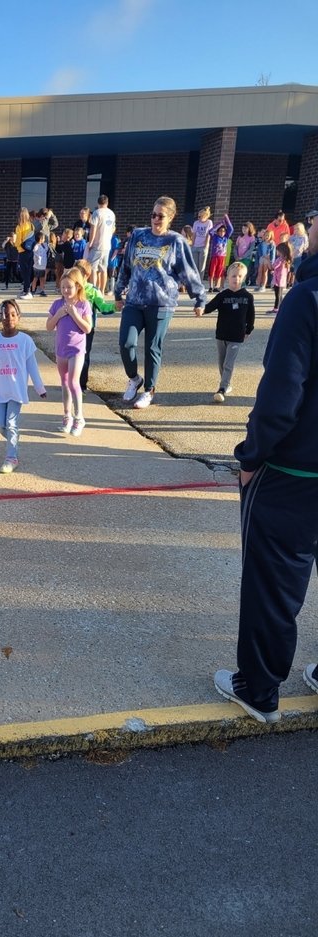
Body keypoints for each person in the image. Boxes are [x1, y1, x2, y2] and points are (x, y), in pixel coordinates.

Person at [213, 208, 318, 725]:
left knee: (273, 585)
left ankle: (258, 688)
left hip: (296, 473)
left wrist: (251, 458)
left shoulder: (306, 298)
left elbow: (281, 396)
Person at [114, 195, 205, 409]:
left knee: (153, 347)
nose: (156, 219)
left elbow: (188, 272)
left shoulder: (175, 241)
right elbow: (126, 267)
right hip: (135, 300)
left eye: (161, 216)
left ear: (170, 218)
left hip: (162, 302)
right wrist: (118, 293)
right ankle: (135, 379)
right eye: (153, 215)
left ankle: (149, 390)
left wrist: (199, 298)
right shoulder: (137, 236)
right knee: (126, 343)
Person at [0, 298, 46, 473]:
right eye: (4, 315)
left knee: (11, 424)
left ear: (18, 316)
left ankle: (11, 457)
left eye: (12, 314)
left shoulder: (25, 341)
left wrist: (40, 388)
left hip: (17, 391)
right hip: (1, 392)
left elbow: (32, 366)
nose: (8, 318)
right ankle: (14, 438)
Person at [46, 267, 93, 437]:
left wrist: (74, 314)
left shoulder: (83, 305)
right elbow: (49, 327)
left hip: (77, 350)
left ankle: (79, 417)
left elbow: (87, 328)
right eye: (63, 287)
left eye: (69, 287)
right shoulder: (57, 304)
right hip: (61, 350)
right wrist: (58, 314)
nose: (66, 290)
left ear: (78, 287)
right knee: (64, 382)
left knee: (74, 382)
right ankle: (67, 415)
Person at [202, 261, 255, 403]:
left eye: (239, 276)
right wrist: (201, 309)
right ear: (227, 277)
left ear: (243, 278)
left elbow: (251, 315)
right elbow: (210, 307)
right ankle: (227, 383)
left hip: (237, 336)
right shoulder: (222, 295)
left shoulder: (247, 297)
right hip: (221, 334)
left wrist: (248, 330)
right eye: (233, 276)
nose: (236, 279)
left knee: (228, 363)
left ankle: (222, 388)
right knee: (222, 361)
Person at [74, 258, 116, 393]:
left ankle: (81, 385)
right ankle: (71, 382)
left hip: (87, 330)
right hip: (71, 329)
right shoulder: (70, 288)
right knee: (70, 356)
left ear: (86, 275)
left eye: (78, 273)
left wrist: (115, 306)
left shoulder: (93, 291)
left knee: (84, 356)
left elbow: (103, 307)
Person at [85, 195, 116, 293]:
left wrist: (90, 243)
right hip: (107, 245)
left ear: (98, 203)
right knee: (103, 269)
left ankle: (94, 289)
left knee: (93, 268)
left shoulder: (96, 213)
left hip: (97, 245)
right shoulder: (112, 213)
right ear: (107, 203)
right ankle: (102, 291)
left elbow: (93, 229)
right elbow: (113, 229)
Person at [207, 213, 234, 292]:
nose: (222, 232)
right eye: (220, 231)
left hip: (222, 257)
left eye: (223, 231)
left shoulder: (226, 238)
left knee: (219, 272)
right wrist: (220, 223)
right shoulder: (215, 236)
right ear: (218, 232)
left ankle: (216, 286)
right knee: (212, 272)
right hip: (215, 256)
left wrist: (227, 219)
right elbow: (210, 231)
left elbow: (231, 229)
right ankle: (210, 286)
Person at [15, 207, 35, 300]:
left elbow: (19, 240)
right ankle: (26, 289)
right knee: (27, 271)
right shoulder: (30, 225)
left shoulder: (20, 226)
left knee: (25, 272)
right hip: (29, 250)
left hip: (23, 251)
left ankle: (27, 290)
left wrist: (17, 246)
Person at [268, 241, 292, 314]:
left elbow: (273, 266)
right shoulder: (286, 260)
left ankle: (276, 308)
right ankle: (281, 307)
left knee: (277, 295)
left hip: (278, 280)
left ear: (281, 251)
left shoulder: (280, 259)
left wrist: (268, 260)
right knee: (280, 295)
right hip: (282, 280)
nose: (277, 252)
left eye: (278, 250)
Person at [191, 207, 214, 277]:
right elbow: (194, 234)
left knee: (201, 266)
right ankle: (195, 279)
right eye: (198, 216)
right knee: (195, 265)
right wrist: (192, 244)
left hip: (203, 246)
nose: (199, 218)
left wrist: (206, 245)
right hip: (195, 246)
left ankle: (200, 281)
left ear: (205, 216)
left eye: (200, 216)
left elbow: (208, 234)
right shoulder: (196, 223)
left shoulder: (209, 222)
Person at [29, 230, 50, 296]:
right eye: (43, 238)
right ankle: (32, 290)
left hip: (43, 265)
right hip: (37, 265)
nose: (44, 239)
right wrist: (37, 258)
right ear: (40, 239)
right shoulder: (36, 246)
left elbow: (47, 249)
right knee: (35, 278)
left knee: (42, 279)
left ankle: (42, 290)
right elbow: (34, 252)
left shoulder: (44, 245)